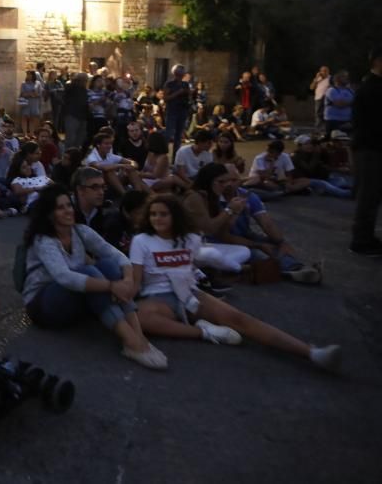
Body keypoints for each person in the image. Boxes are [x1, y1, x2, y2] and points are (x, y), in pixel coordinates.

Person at [130, 194, 342, 371]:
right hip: (157, 297)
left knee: (239, 319)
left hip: (190, 294)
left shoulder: (191, 239)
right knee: (139, 318)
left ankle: (311, 352)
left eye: (163, 214)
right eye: (153, 214)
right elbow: (136, 280)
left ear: (175, 216)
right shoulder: (141, 241)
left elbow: (194, 268)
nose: (157, 218)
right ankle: (205, 332)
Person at [20, 184, 167, 370]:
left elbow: (116, 255)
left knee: (109, 265)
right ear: (49, 214)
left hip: (73, 300)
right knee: (89, 273)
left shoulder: (80, 231)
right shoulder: (43, 240)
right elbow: (65, 277)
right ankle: (131, 342)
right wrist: (112, 286)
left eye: (69, 205)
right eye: (60, 207)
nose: (68, 211)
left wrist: (128, 280)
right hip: (43, 305)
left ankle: (138, 335)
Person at [181, 163, 254, 274]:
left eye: (227, 181)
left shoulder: (213, 196)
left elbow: (220, 232)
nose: (225, 185)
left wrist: (235, 213)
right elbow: (209, 229)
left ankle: (209, 269)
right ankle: (237, 268)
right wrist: (228, 209)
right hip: (185, 249)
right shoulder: (194, 197)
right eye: (221, 182)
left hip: (200, 245)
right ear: (208, 181)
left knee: (244, 251)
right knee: (212, 254)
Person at [349, 47, 382, 255]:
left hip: (374, 147)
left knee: (374, 194)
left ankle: (367, 237)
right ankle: (361, 241)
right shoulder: (370, 87)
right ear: (378, 61)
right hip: (370, 148)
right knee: (369, 194)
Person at [244, 139, 311, 196]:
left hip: (278, 181)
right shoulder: (259, 158)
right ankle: (287, 191)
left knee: (306, 181)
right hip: (260, 180)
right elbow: (264, 177)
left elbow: (289, 173)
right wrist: (271, 164)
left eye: (272, 152)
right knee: (267, 183)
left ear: (279, 153)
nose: (268, 153)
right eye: (268, 151)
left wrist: (289, 183)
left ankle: (286, 191)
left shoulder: (285, 157)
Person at [162, 64, 191, 151]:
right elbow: (166, 98)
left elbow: (188, 96)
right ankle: (162, 153)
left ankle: (176, 158)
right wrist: (178, 92)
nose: (181, 74)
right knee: (168, 133)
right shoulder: (169, 84)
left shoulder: (185, 84)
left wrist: (189, 93)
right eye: (180, 72)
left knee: (178, 135)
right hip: (172, 111)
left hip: (182, 110)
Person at [61, 73, 90, 151]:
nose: (85, 82)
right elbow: (63, 98)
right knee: (70, 139)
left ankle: (75, 156)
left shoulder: (84, 90)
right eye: (84, 80)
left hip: (82, 116)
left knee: (79, 139)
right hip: (72, 115)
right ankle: (68, 156)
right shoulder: (71, 87)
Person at [324, 69, 355, 136]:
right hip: (333, 121)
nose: (346, 78)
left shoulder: (350, 91)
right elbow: (339, 104)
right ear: (337, 79)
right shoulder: (331, 90)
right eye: (343, 76)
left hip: (347, 121)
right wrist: (352, 102)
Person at [18, 72, 43, 137]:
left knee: (32, 118)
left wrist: (35, 94)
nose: (28, 76)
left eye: (30, 74)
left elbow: (40, 93)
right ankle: (25, 133)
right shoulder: (24, 83)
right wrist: (30, 94)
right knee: (24, 117)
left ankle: (31, 133)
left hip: (34, 103)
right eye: (27, 74)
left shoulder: (38, 83)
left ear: (33, 75)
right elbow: (22, 93)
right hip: (26, 102)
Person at [310, 66, 331, 130]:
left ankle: (325, 128)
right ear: (320, 72)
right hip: (318, 98)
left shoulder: (330, 78)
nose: (324, 72)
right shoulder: (318, 78)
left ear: (328, 71)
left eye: (325, 71)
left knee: (326, 113)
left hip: (327, 98)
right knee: (318, 114)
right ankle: (318, 128)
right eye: (322, 71)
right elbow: (311, 88)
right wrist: (316, 78)